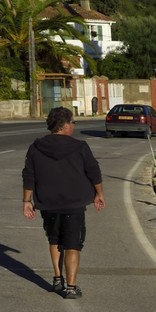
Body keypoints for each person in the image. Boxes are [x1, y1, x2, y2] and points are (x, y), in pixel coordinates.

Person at [22, 107, 106, 299]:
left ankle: (58, 279)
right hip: (73, 203)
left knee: (54, 240)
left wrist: (27, 200)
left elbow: (29, 176)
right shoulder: (80, 147)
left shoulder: (36, 147)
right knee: (72, 244)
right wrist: (99, 193)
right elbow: (94, 172)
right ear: (65, 125)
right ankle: (71, 287)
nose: (74, 126)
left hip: (47, 203)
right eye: (74, 122)